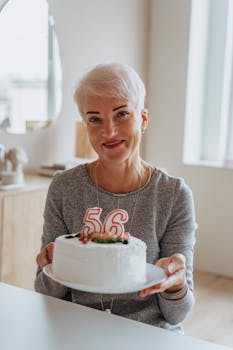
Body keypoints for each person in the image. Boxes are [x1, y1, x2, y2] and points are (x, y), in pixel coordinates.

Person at [35, 62, 196, 333]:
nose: (108, 131)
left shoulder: (173, 195)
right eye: (95, 119)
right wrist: (52, 268)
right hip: (79, 332)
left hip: (148, 336)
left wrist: (177, 284)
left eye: (121, 114)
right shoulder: (64, 187)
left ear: (143, 119)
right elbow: (44, 293)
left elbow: (177, 313)